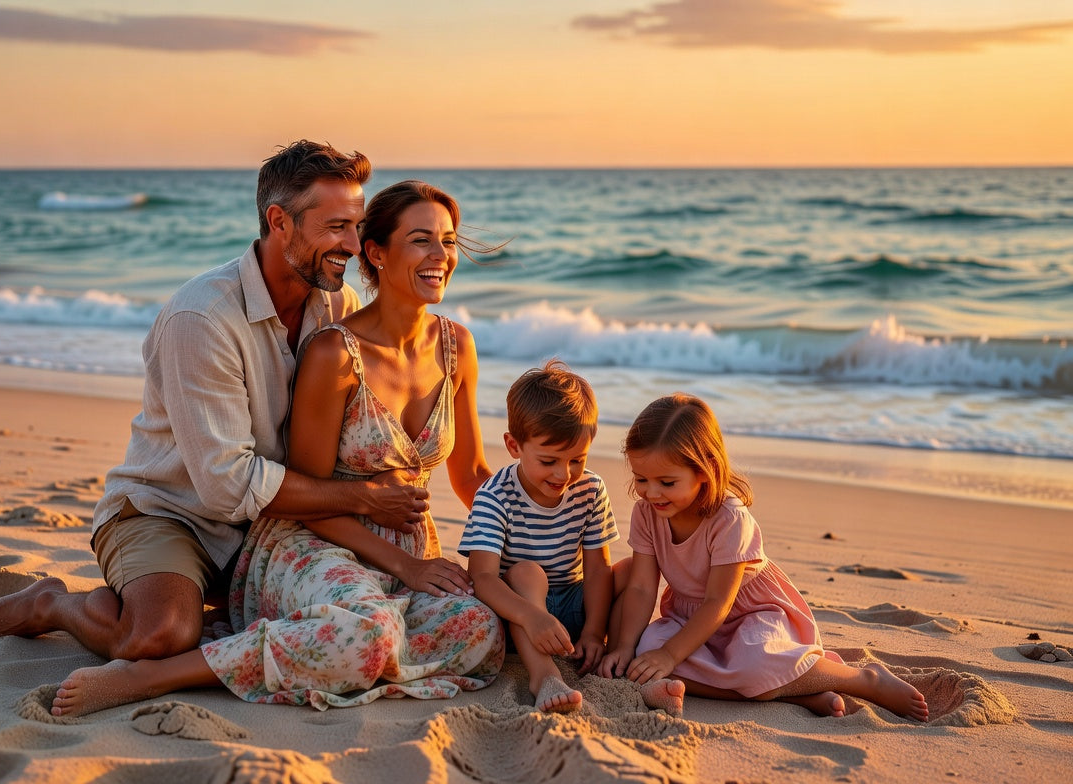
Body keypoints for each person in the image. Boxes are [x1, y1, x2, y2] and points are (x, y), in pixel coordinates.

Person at [0, 141, 429, 662]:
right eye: (336, 226)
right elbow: (227, 485)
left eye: (357, 226)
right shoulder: (201, 319)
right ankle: (53, 605)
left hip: (277, 523)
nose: (354, 245)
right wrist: (362, 500)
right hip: (174, 514)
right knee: (162, 635)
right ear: (280, 222)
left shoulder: (338, 301)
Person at [49, 180, 506, 716]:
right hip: (303, 532)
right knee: (369, 635)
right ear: (378, 254)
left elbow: (472, 471)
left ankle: (343, 652)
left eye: (448, 241)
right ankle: (156, 675)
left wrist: (534, 537)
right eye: (422, 240)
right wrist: (402, 565)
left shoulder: (448, 342)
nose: (440, 256)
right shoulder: (329, 347)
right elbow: (295, 487)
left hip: (404, 546)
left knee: (482, 630)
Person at [598, 394, 930, 721]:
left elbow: (718, 603)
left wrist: (670, 655)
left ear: (705, 470)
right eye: (641, 479)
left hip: (752, 614)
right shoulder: (647, 514)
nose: (651, 493)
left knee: (755, 664)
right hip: (689, 618)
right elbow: (642, 587)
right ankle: (801, 692)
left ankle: (862, 680)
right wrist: (626, 646)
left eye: (666, 482)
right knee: (645, 654)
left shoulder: (729, 519)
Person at [459, 359, 619, 713]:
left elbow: (597, 570)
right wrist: (532, 617)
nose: (564, 473)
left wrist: (594, 630)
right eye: (548, 461)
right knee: (526, 572)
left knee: (630, 571)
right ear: (514, 445)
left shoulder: (590, 489)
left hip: (572, 607)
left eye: (577, 459)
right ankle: (544, 675)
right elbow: (482, 577)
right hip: (518, 613)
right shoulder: (495, 495)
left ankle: (616, 659)